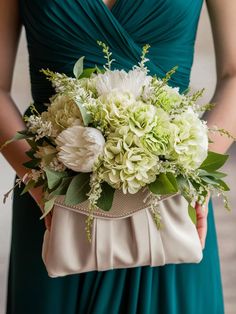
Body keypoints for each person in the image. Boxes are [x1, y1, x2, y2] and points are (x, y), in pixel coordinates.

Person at [1, 0, 235, 313]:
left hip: (171, 201)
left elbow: (234, 73)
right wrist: (43, 188)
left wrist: (194, 175)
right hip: (54, 202)